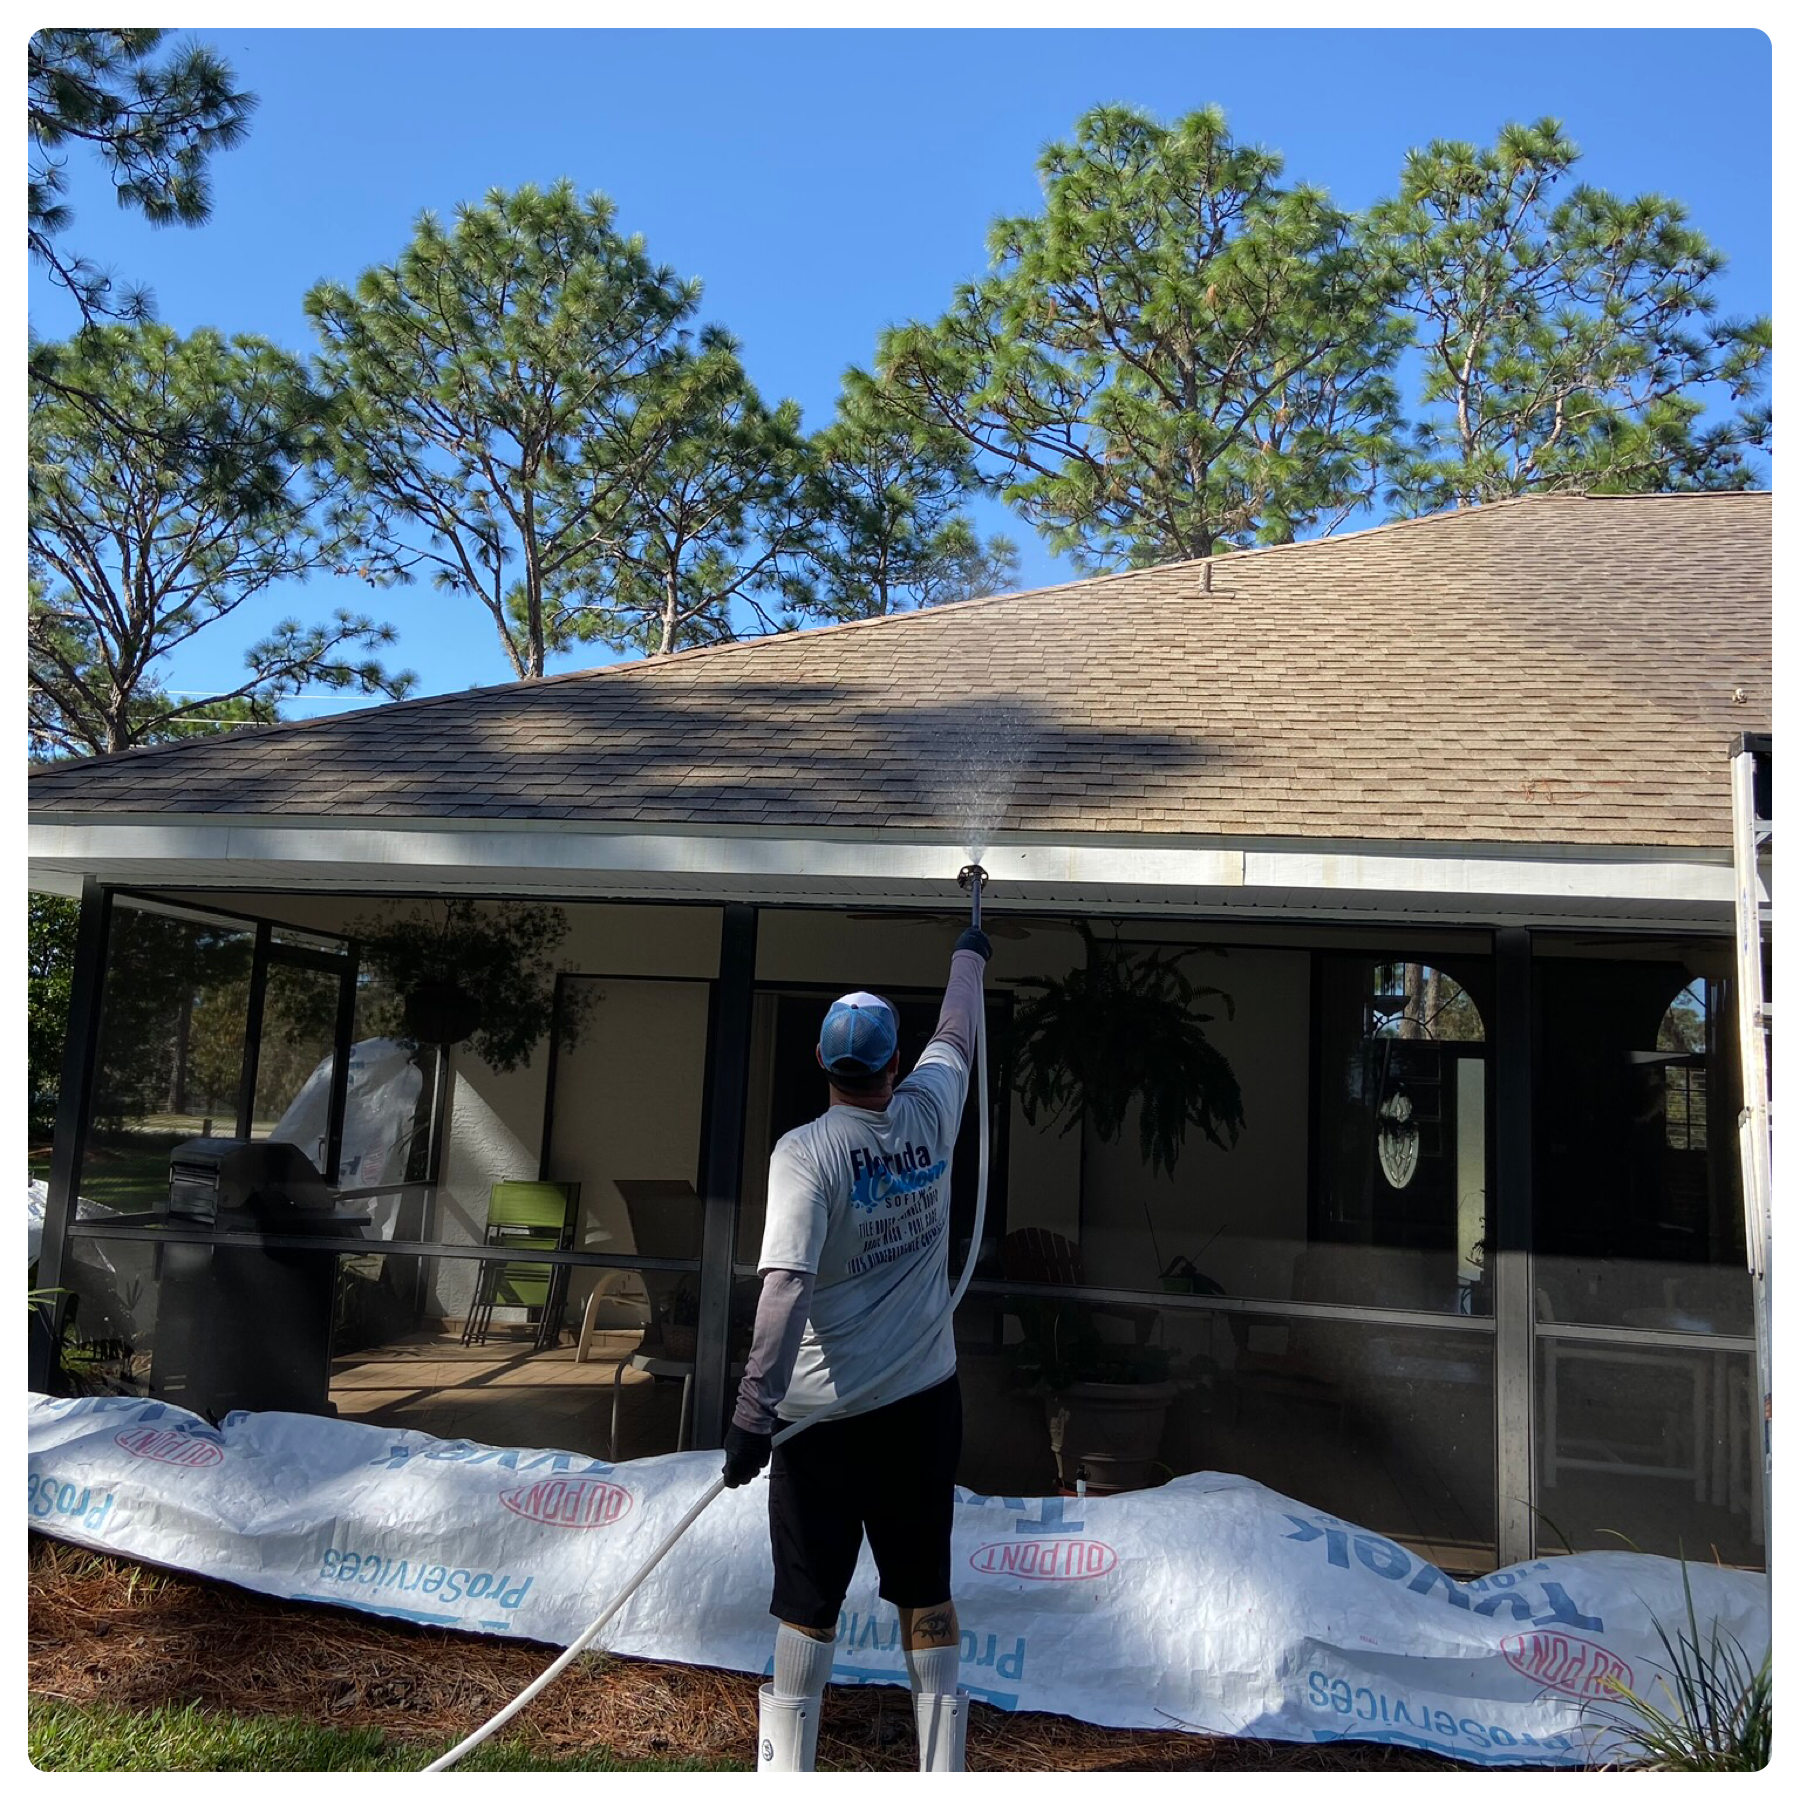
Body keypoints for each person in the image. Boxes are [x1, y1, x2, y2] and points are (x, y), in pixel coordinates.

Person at [722, 923, 992, 1774]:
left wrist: (751, 1415)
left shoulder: (804, 1154)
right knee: (927, 1591)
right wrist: (970, 954)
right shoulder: (932, 1107)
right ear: (893, 1061)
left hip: (822, 1424)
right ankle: (941, 1772)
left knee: (808, 1601)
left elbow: (786, 1288)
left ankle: (786, 1774)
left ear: (820, 1060)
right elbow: (958, 1029)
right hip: (922, 1407)